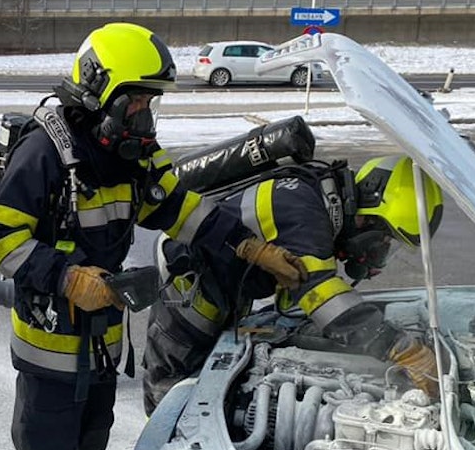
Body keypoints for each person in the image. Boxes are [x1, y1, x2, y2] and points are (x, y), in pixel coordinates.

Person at [0, 21, 307, 450]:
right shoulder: (45, 152)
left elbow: (181, 208)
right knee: (48, 431)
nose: (144, 117)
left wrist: (248, 246)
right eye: (134, 103)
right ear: (98, 91)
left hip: (104, 324)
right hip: (52, 330)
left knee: (95, 420)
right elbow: (2, 238)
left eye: (149, 104)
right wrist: (66, 277)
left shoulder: (131, 153)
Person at [142, 154, 444, 416]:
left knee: (213, 377)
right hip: (190, 290)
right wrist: (401, 348)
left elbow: (294, 302)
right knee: (173, 393)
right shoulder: (304, 212)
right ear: (368, 215)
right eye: (384, 240)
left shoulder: (319, 201)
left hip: (227, 286)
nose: (379, 253)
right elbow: (320, 294)